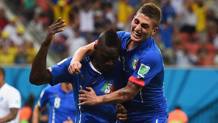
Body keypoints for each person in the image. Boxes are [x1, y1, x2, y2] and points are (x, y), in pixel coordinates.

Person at [68, 2, 167, 123]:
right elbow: (86, 48)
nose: (137, 28)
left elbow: (129, 92)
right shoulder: (121, 38)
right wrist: (75, 60)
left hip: (150, 116)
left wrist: (97, 99)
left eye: (145, 26)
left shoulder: (150, 56)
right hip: (126, 114)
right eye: (136, 21)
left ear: (154, 31)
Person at [29, 18, 127, 123]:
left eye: (114, 58)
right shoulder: (77, 65)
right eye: (106, 57)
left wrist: (125, 111)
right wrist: (45, 45)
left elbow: (130, 97)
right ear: (96, 47)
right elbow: (36, 78)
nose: (110, 62)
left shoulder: (121, 66)